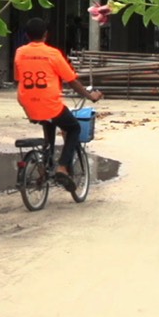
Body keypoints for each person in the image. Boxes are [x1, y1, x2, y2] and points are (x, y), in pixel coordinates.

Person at [13, 17, 102, 191]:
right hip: (50, 104)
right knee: (74, 128)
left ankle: (44, 168)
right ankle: (62, 167)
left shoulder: (20, 52)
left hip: (28, 105)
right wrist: (90, 95)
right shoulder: (53, 54)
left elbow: (18, 78)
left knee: (49, 128)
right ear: (46, 35)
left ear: (26, 35)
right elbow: (72, 80)